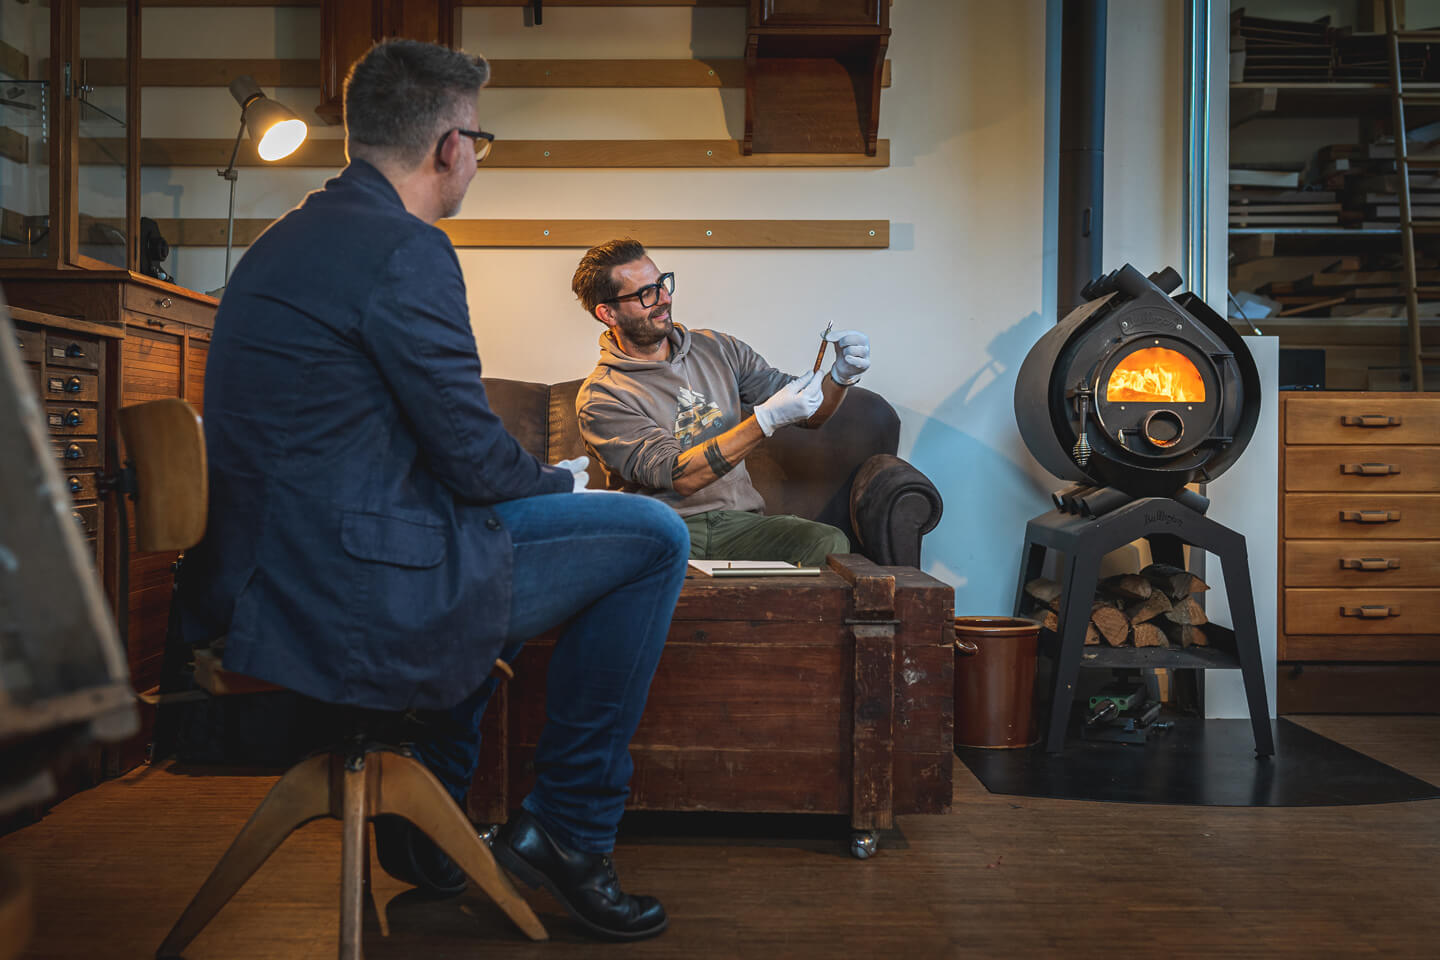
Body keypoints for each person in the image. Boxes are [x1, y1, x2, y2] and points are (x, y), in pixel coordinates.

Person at [177, 40, 688, 943]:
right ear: (453, 145)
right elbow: (468, 451)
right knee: (652, 536)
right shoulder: (405, 249)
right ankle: (570, 831)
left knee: (496, 535)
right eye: (479, 142)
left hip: (256, 580)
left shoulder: (283, 242)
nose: (476, 161)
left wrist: (518, 488)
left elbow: (400, 442)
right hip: (340, 593)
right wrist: (556, 478)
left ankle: (431, 827)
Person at [573, 239, 872, 567]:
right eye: (646, 294)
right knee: (635, 564)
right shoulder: (602, 397)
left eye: (662, 283)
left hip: (740, 525)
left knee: (827, 541)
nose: (665, 298)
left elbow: (810, 413)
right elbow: (680, 476)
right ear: (608, 313)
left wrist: (841, 376)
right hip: (663, 531)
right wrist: (764, 421)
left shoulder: (720, 349)